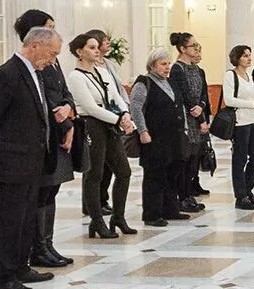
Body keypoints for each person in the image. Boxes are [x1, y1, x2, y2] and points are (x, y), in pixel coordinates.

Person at [0, 26, 60, 289]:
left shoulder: (35, 73)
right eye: (51, 53)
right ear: (34, 45)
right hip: (11, 159)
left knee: (26, 219)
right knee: (10, 219)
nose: (52, 59)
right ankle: (2, 276)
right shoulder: (8, 74)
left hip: (31, 159)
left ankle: (21, 267)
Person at [14, 11, 78, 268]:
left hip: (61, 129)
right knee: (41, 192)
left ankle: (47, 244)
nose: (53, 31)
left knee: (52, 191)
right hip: (47, 132)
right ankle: (37, 248)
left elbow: (64, 91)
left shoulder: (53, 61)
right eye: (48, 27)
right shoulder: (30, 63)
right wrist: (63, 119)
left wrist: (69, 109)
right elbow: (41, 96)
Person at [68, 29, 136, 240]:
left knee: (123, 171)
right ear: (79, 52)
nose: (96, 51)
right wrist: (119, 120)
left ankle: (118, 217)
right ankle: (96, 221)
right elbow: (90, 107)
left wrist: (125, 115)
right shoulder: (75, 76)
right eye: (91, 48)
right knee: (94, 174)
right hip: (92, 125)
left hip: (110, 124)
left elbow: (115, 96)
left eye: (97, 47)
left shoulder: (103, 72)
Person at [130, 48, 187, 227]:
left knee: (172, 174)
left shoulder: (169, 82)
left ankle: (170, 209)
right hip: (154, 138)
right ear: (152, 66)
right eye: (163, 64)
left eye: (168, 63)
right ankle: (152, 214)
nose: (167, 67)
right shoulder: (144, 83)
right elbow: (135, 108)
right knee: (155, 176)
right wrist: (142, 131)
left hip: (174, 138)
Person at [168, 32, 210, 212]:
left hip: (198, 117)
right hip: (186, 118)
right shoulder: (177, 69)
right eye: (193, 45)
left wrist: (201, 108)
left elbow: (203, 93)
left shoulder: (197, 69)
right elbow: (184, 94)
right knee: (185, 159)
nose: (196, 48)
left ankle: (189, 193)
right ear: (183, 49)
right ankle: (182, 196)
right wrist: (197, 113)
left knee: (194, 159)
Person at [224, 45, 254, 209]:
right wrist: (251, 103)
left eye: (249, 55)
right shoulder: (230, 75)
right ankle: (240, 196)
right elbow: (229, 100)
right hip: (239, 122)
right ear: (236, 58)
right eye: (245, 56)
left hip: (253, 120)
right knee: (240, 158)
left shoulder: (248, 75)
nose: (249, 58)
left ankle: (248, 190)